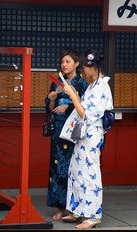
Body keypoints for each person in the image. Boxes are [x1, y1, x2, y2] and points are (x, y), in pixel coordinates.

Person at [61, 49, 113, 229]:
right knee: (76, 171)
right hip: (83, 135)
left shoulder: (102, 87)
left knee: (90, 174)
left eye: (85, 67)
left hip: (92, 135)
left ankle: (92, 216)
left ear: (95, 67)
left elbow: (86, 114)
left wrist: (73, 95)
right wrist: (75, 94)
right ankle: (78, 210)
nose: (83, 70)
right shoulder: (92, 85)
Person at [45, 49, 88, 221]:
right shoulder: (56, 82)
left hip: (73, 134)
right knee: (57, 169)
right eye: (62, 61)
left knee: (74, 170)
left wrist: (68, 106)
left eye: (68, 61)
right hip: (58, 133)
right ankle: (60, 207)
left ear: (77, 64)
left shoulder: (81, 83)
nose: (64, 64)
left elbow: (85, 109)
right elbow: (49, 109)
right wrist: (53, 99)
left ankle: (74, 208)